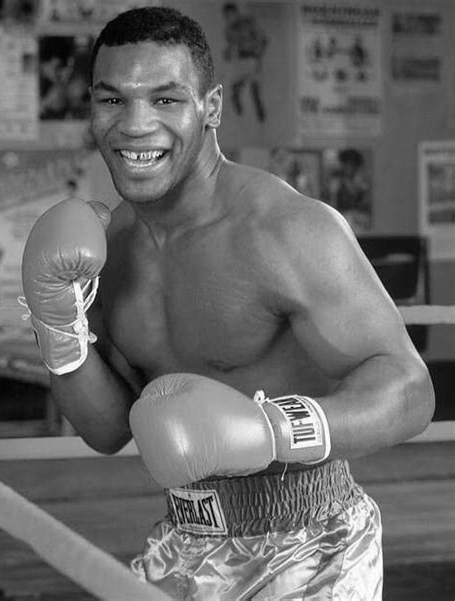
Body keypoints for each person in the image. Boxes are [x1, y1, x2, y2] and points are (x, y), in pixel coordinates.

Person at [21, 7, 434, 600]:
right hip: (185, 540)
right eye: (113, 101)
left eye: (166, 100)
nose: (136, 125)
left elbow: (410, 390)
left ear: (211, 107)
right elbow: (106, 428)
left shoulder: (286, 230)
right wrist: (56, 320)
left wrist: (268, 431)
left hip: (312, 544)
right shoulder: (107, 249)